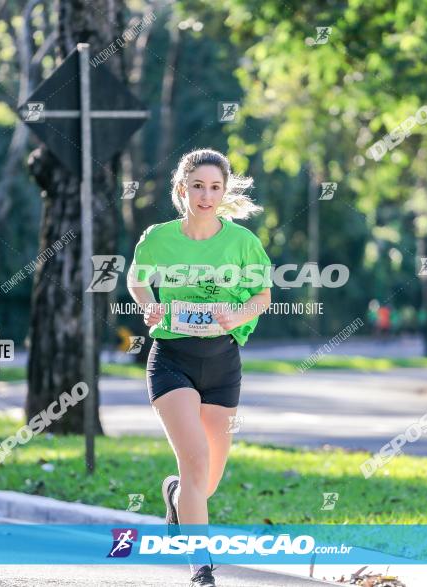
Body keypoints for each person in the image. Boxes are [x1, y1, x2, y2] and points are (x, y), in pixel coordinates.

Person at [126, 148, 271, 587]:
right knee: (194, 458)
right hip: (172, 359)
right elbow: (136, 279)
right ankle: (200, 567)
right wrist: (150, 307)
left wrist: (238, 316)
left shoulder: (244, 243)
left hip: (223, 362)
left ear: (223, 193)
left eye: (214, 188)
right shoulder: (159, 238)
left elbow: (261, 296)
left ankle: (173, 495)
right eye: (198, 186)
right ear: (182, 188)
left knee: (204, 482)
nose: (206, 195)